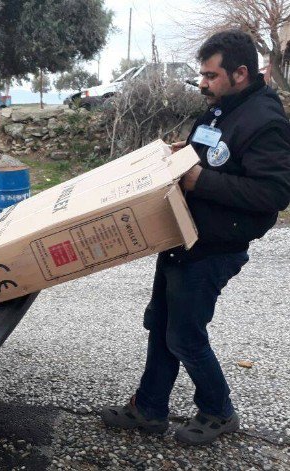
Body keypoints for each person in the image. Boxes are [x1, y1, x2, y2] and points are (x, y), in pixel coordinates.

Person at [101, 29, 290, 445]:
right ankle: (149, 409)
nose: (201, 83)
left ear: (240, 73)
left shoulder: (265, 121)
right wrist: (183, 153)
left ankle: (218, 411)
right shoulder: (222, 108)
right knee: (162, 324)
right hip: (182, 236)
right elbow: (212, 153)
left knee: (185, 335)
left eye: (210, 75)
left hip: (215, 247)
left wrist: (199, 178)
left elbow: (274, 193)